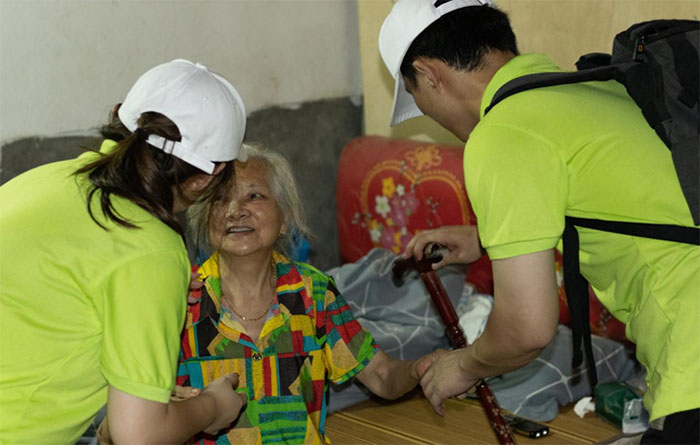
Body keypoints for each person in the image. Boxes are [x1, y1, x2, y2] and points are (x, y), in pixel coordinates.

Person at [378, 0, 700, 443]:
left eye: (418, 98)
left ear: (429, 73)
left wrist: (464, 365)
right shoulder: (588, 89)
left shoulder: (504, 132)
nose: (432, 116)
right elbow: (634, 205)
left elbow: (525, 329)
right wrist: (485, 240)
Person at [0, 59, 249, 443]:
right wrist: (212, 408)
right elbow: (138, 436)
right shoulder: (149, 247)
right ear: (206, 178)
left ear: (121, 119)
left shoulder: (42, 180)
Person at [176, 143, 438, 444]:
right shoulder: (183, 300)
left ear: (284, 218)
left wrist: (421, 368)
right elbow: (147, 404)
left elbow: (380, 376)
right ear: (203, 218)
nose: (236, 211)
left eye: (254, 196)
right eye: (220, 200)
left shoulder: (313, 293)